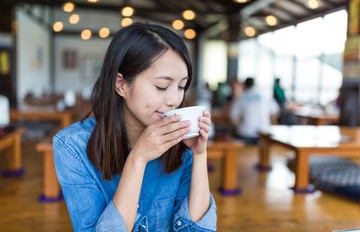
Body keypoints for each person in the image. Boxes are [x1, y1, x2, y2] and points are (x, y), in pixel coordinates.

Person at [52, 22, 216, 232]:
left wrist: (199, 154)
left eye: (181, 86)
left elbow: (196, 230)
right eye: (161, 86)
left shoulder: (180, 142)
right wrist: (138, 158)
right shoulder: (72, 147)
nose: (175, 99)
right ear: (121, 85)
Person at [230, 77, 279, 144]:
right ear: (255, 84)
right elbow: (276, 112)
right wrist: (267, 121)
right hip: (264, 133)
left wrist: (243, 124)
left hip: (245, 134)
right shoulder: (265, 95)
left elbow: (233, 118)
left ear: (244, 85)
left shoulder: (240, 97)